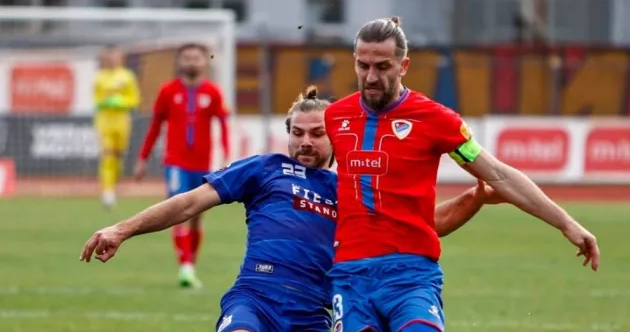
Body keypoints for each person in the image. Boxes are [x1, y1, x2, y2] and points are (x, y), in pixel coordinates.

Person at [80, 86, 504, 332]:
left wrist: (475, 198)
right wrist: (123, 228)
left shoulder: (353, 187)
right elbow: (189, 202)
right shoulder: (264, 169)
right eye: (297, 133)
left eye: (316, 134)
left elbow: (426, 227)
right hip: (255, 299)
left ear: (335, 138)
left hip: (313, 313)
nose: (305, 141)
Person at [323, 17, 601, 332]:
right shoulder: (335, 116)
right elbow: (309, 179)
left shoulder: (436, 120)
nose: (371, 77)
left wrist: (566, 223)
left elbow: (498, 175)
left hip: (410, 274)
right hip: (350, 276)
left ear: (404, 66)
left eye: (383, 67)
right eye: (363, 66)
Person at [134, 43, 231, 289]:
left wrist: (226, 155)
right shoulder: (167, 91)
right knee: (178, 211)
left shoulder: (213, 92)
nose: (191, 62)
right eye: (186, 57)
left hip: (204, 164)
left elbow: (223, 126)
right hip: (175, 162)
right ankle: (185, 266)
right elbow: (155, 126)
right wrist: (143, 158)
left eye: (196, 58)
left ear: (204, 62)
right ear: (179, 62)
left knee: (197, 216)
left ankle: (190, 264)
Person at [93, 45, 141, 209]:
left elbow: (134, 100)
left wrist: (120, 101)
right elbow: (96, 101)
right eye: (109, 56)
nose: (112, 59)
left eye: (115, 55)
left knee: (119, 157)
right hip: (105, 120)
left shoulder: (127, 77)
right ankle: (107, 192)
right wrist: (105, 102)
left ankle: (113, 185)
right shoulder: (100, 77)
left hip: (122, 121)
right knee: (107, 155)